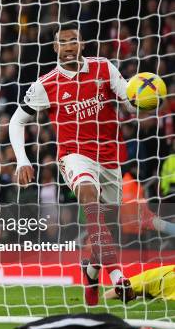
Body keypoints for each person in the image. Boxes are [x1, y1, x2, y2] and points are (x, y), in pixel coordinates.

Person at [9, 22, 173, 306]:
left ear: (82, 44)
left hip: (110, 159)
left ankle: (91, 271)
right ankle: (119, 277)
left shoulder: (104, 68)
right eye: (63, 42)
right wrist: (22, 160)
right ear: (55, 48)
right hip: (74, 156)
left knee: (105, 228)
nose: (69, 46)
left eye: (74, 41)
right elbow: (16, 121)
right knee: (88, 197)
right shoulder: (45, 84)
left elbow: (129, 100)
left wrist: (146, 99)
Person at [103, 265, 175, 302]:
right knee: (118, 291)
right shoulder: (154, 276)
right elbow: (107, 296)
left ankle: (141, 296)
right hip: (156, 279)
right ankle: (140, 296)